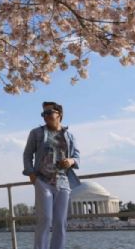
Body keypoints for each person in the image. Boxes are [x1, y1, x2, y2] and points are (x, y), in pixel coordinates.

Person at [23, 101, 81, 249]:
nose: (46, 116)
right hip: (42, 180)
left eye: (49, 113)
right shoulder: (36, 133)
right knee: (45, 219)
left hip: (63, 181)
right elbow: (27, 154)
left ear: (59, 114)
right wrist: (31, 175)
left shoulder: (69, 135)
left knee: (60, 222)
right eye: (44, 114)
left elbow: (77, 156)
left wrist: (71, 160)